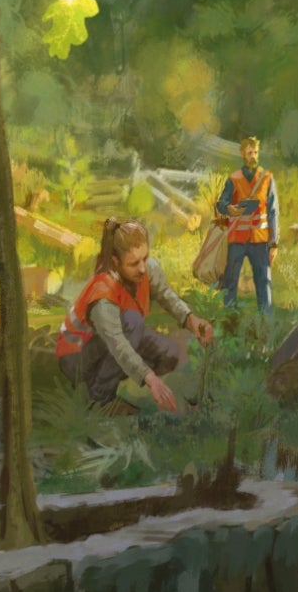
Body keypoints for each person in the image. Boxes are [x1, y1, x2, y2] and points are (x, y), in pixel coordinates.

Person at [56, 218, 215, 414]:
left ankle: (126, 378)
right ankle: (99, 400)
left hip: (119, 337)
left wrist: (192, 320)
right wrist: (150, 378)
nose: (142, 268)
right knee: (133, 322)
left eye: (144, 258)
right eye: (133, 263)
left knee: (169, 353)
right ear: (116, 262)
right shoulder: (103, 292)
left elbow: (166, 296)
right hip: (77, 356)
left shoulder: (146, 269)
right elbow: (117, 343)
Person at [214, 134, 280, 315]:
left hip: (260, 240)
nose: (254, 156)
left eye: (256, 152)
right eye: (250, 153)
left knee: (264, 282)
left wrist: (274, 243)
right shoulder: (233, 179)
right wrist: (229, 209)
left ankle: (266, 323)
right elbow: (221, 204)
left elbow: (273, 211)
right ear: (242, 154)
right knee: (230, 282)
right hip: (237, 239)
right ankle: (228, 318)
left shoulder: (267, 178)